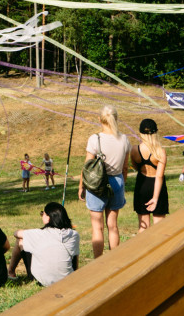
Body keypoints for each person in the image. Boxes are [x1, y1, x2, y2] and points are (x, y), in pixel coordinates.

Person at [78, 105, 130, 258]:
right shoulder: (124, 139)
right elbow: (125, 167)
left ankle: (98, 262)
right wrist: (122, 183)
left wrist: (81, 186)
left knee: (97, 227)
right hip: (117, 181)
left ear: (99, 119)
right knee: (113, 225)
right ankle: (113, 260)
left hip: (96, 184)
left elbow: (87, 167)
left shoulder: (95, 139)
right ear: (116, 119)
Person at [7, 202, 79, 286]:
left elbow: (16, 233)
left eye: (43, 213)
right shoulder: (74, 235)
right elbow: (75, 258)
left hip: (40, 281)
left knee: (20, 240)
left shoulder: (38, 233)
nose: (41, 216)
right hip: (66, 279)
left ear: (49, 218)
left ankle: (11, 272)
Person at [130, 118, 169, 232]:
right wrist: (155, 198)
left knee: (143, 226)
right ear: (156, 132)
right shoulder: (160, 151)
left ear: (141, 133)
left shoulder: (134, 149)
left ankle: (142, 249)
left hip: (142, 184)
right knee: (159, 227)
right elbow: (159, 176)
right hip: (157, 187)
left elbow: (136, 166)